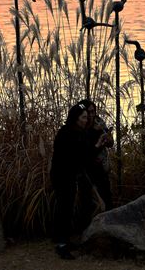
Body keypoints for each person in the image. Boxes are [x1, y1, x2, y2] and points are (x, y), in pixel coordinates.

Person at [50, 103, 99, 260]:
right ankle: (61, 245)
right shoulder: (66, 134)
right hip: (62, 176)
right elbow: (79, 156)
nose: (87, 120)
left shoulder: (78, 132)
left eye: (86, 117)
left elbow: (83, 156)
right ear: (76, 118)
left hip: (69, 176)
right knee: (64, 208)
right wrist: (96, 146)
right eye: (84, 117)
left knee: (68, 207)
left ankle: (63, 240)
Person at [78, 99, 114, 211]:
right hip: (84, 169)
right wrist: (96, 135)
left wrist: (108, 139)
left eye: (93, 112)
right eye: (88, 112)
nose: (91, 115)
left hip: (99, 167)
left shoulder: (99, 122)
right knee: (87, 203)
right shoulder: (79, 126)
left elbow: (110, 144)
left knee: (106, 197)